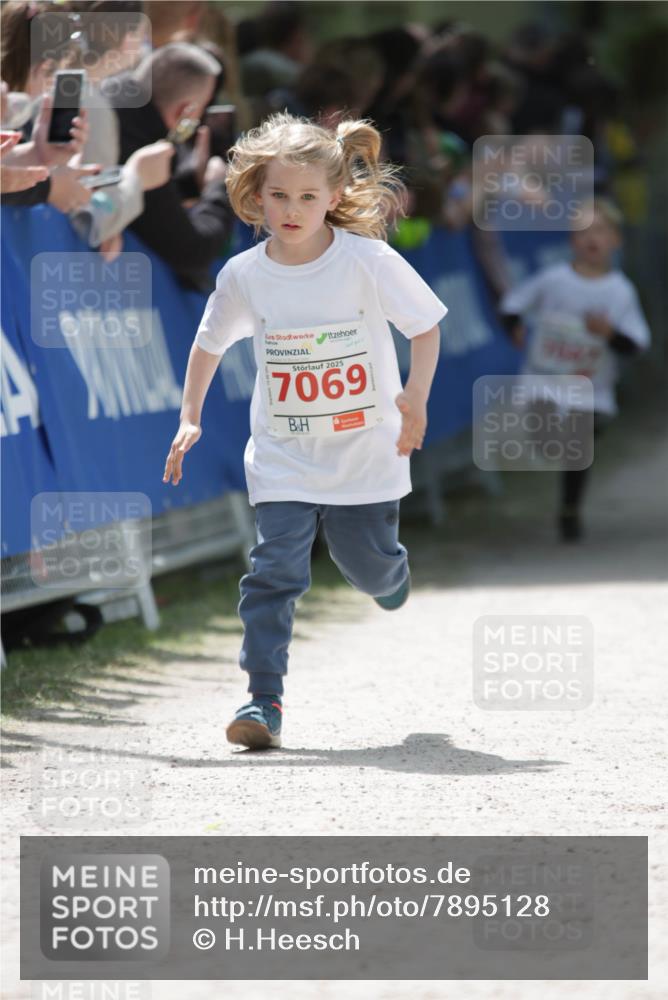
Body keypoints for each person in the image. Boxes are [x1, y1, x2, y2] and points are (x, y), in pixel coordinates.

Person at [162, 111, 448, 749]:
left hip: (365, 455)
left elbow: (425, 327)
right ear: (257, 194)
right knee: (273, 571)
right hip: (284, 456)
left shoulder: (368, 262)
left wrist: (415, 397)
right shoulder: (244, 275)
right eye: (279, 196)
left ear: (335, 196)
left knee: (366, 568)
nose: (292, 210)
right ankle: (263, 701)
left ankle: (391, 576)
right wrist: (190, 417)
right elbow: (208, 346)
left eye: (308, 197)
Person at [499, 198, 651, 541]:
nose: (591, 238)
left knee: (579, 445)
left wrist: (609, 333)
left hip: (591, 389)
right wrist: (515, 325)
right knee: (553, 439)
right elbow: (513, 304)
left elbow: (637, 343)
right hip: (544, 382)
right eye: (582, 231)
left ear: (616, 240)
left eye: (600, 230)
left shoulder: (621, 292)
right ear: (571, 240)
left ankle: (570, 509)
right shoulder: (554, 280)